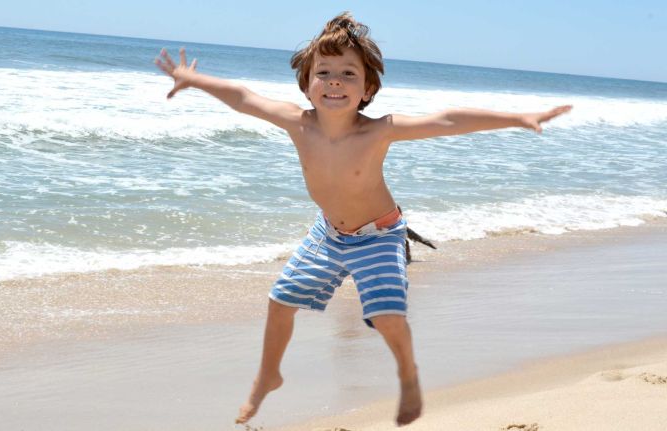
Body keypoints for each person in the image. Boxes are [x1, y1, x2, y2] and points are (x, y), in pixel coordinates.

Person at [155, 12, 571, 427]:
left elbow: (448, 120)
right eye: (324, 72)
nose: (335, 81)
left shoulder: (377, 132)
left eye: (348, 73)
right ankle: (269, 374)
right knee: (279, 301)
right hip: (328, 233)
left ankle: (408, 374)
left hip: (379, 235)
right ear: (306, 83)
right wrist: (195, 80)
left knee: (388, 317)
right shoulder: (296, 123)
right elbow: (244, 98)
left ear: (368, 88)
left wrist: (517, 118)